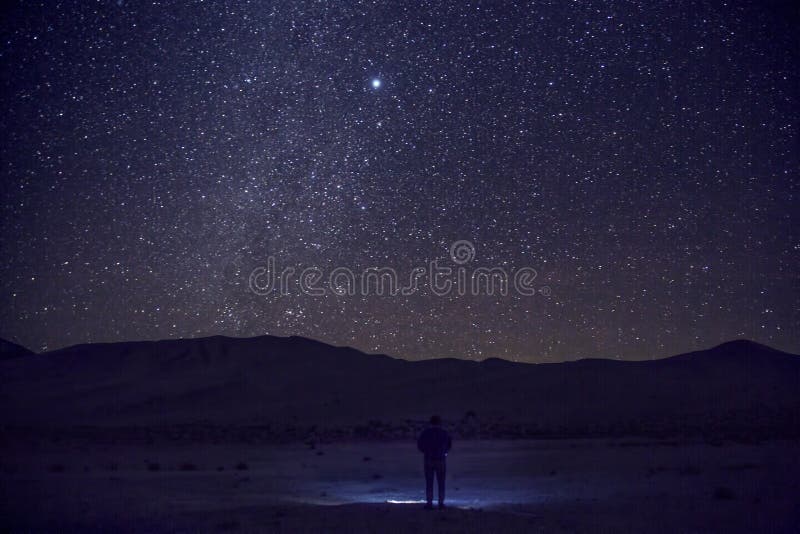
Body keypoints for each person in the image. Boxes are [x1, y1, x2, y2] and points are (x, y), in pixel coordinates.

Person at [416, 415, 452, 509]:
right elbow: (449, 445)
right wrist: (444, 453)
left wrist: (426, 452)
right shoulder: (444, 433)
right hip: (440, 460)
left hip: (429, 459)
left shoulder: (425, 433)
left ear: (430, 423)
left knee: (429, 482)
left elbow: (419, 445)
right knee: (441, 482)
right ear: (439, 422)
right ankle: (441, 503)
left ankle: (429, 503)